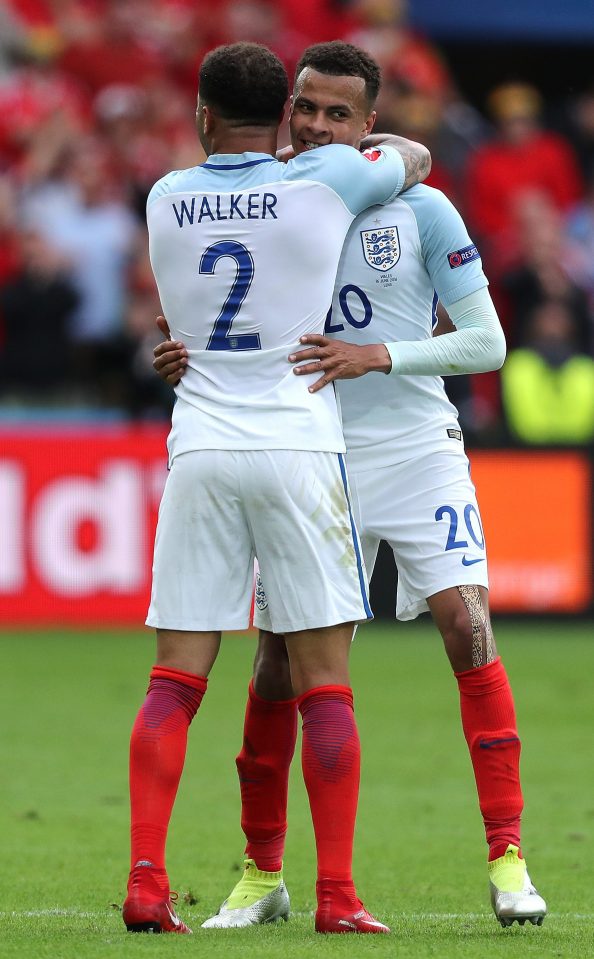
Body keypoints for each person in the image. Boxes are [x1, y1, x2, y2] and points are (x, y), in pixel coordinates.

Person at [154, 41, 547, 931]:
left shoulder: (425, 210)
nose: (319, 125)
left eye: (340, 113)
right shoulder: (278, 201)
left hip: (414, 443)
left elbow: (487, 343)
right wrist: (180, 350)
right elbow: (213, 307)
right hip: (312, 452)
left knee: (468, 624)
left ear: (370, 124)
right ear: (286, 108)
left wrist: (385, 356)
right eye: (307, 108)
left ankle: (509, 856)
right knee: (276, 664)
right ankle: (263, 873)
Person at [123, 40, 430, 937]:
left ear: (201, 115)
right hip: (299, 444)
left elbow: (182, 307)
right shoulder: (327, 186)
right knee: (324, 685)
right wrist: (331, 156)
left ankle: (147, 880)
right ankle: (337, 894)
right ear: (287, 115)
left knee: (174, 679)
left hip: (203, 443)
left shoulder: (165, 195)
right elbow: (411, 158)